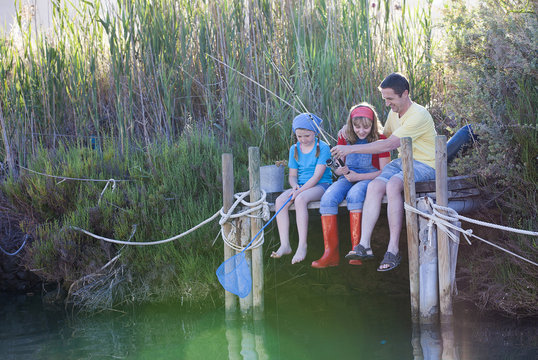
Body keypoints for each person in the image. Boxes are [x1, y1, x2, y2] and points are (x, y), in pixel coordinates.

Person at [331, 72, 437, 271]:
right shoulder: (393, 112)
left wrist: (350, 148)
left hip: (426, 164)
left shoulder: (419, 115)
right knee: (375, 184)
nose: (387, 103)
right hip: (403, 162)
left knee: (393, 184)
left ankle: (393, 249)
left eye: (390, 99)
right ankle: (364, 245)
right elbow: (381, 134)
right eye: (385, 99)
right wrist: (349, 129)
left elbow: (386, 144)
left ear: (405, 94)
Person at [311, 103, 391, 268]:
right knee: (328, 198)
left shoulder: (381, 140)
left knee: (355, 195)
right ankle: (330, 253)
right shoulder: (345, 137)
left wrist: (359, 176)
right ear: (351, 125)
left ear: (373, 125)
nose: (361, 131)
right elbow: (340, 169)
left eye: (366, 127)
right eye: (357, 127)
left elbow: (385, 172)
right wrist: (341, 170)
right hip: (347, 178)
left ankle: (358, 249)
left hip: (369, 178)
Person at [271, 113, 333, 264]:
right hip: (300, 186)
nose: (303, 140)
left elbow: (317, 177)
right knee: (280, 201)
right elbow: (292, 176)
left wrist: (299, 191)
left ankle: (302, 245)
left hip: (320, 185)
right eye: (299, 136)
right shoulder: (295, 149)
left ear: (315, 132)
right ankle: (285, 244)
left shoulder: (323, 147)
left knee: (300, 200)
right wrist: (294, 186)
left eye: (307, 135)